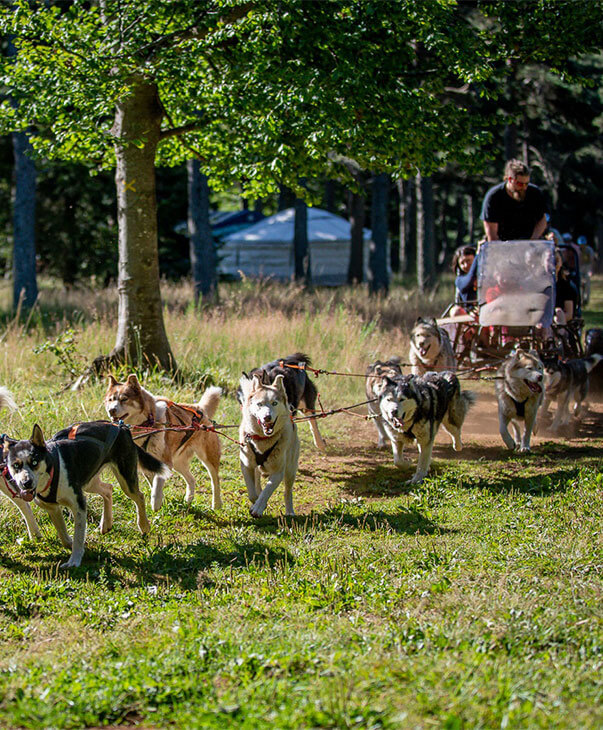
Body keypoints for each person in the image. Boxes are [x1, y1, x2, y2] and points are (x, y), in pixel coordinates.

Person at [480, 159, 548, 242]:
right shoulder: (494, 197)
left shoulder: (535, 193)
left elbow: (542, 220)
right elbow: (492, 234)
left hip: (530, 242)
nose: (524, 188)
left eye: (526, 183)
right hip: (503, 244)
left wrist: (532, 241)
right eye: (520, 184)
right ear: (510, 179)